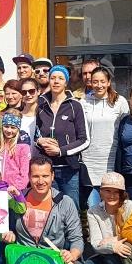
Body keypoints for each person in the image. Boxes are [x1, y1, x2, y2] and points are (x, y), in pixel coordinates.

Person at [35, 65, 88, 208]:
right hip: (47, 169)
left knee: (71, 208)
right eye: (53, 78)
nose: (56, 81)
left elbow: (84, 140)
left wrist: (60, 151)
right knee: (50, 208)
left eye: (60, 78)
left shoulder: (75, 105)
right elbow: (34, 135)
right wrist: (39, 141)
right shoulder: (41, 105)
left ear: (66, 82)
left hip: (68, 169)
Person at [80, 66, 130, 207]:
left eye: (102, 81)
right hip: (89, 160)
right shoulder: (84, 102)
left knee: (112, 205)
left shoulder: (120, 102)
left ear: (108, 82)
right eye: (95, 82)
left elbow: (125, 130)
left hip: (112, 159)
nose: (99, 85)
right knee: (93, 206)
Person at [0, 111, 31, 190]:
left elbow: (25, 172)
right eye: (6, 126)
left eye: (13, 127)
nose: (9, 130)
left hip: (14, 189)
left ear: (18, 129)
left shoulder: (23, 147)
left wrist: (17, 187)